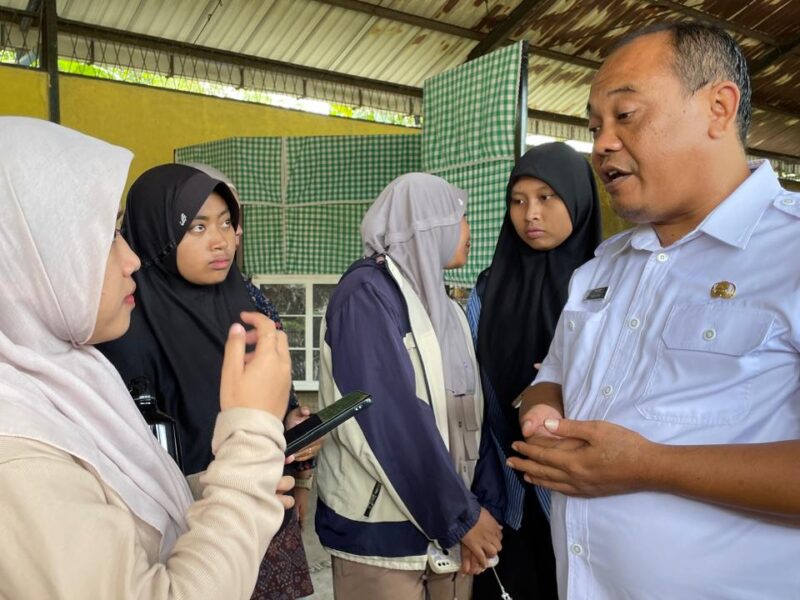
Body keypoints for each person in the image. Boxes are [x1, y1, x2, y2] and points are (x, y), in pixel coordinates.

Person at [507, 22, 800, 599]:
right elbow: (553, 377)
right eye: (595, 127)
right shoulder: (601, 269)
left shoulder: (790, 252)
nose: (602, 145)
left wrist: (648, 465)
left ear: (718, 108)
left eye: (626, 115)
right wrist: (542, 413)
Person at [0, 116, 293, 599]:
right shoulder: (16, 457)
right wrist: (248, 454)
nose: (132, 258)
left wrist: (214, 492)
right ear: (28, 257)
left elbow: (112, 503)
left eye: (227, 223)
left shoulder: (71, 371)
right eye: (106, 236)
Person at [98, 163, 315, 599]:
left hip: (266, 515)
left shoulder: (243, 301)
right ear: (158, 233)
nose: (221, 241)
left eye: (226, 223)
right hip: (192, 542)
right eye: (197, 227)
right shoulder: (121, 324)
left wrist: (291, 429)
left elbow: (268, 403)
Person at [315, 173, 505, 600]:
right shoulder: (365, 294)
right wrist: (462, 517)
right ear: (428, 222)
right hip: (384, 538)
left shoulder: (448, 310)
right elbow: (388, 418)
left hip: (456, 531)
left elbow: (472, 417)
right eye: (461, 217)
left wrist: (483, 507)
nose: (469, 230)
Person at [467, 142, 601, 600]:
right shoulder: (487, 289)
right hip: (501, 492)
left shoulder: (609, 285)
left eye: (547, 197)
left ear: (578, 199)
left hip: (584, 494)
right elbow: (471, 390)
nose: (531, 214)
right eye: (518, 201)